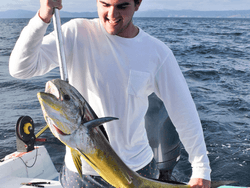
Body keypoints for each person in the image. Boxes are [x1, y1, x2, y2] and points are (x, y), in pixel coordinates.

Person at [9, 0, 211, 187]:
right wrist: (43, 17)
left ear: (138, 4)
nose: (112, 14)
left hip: (138, 171)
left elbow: (183, 111)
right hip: (81, 173)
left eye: (122, 6)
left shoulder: (158, 53)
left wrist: (201, 168)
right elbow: (21, 68)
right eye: (105, 4)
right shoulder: (76, 32)